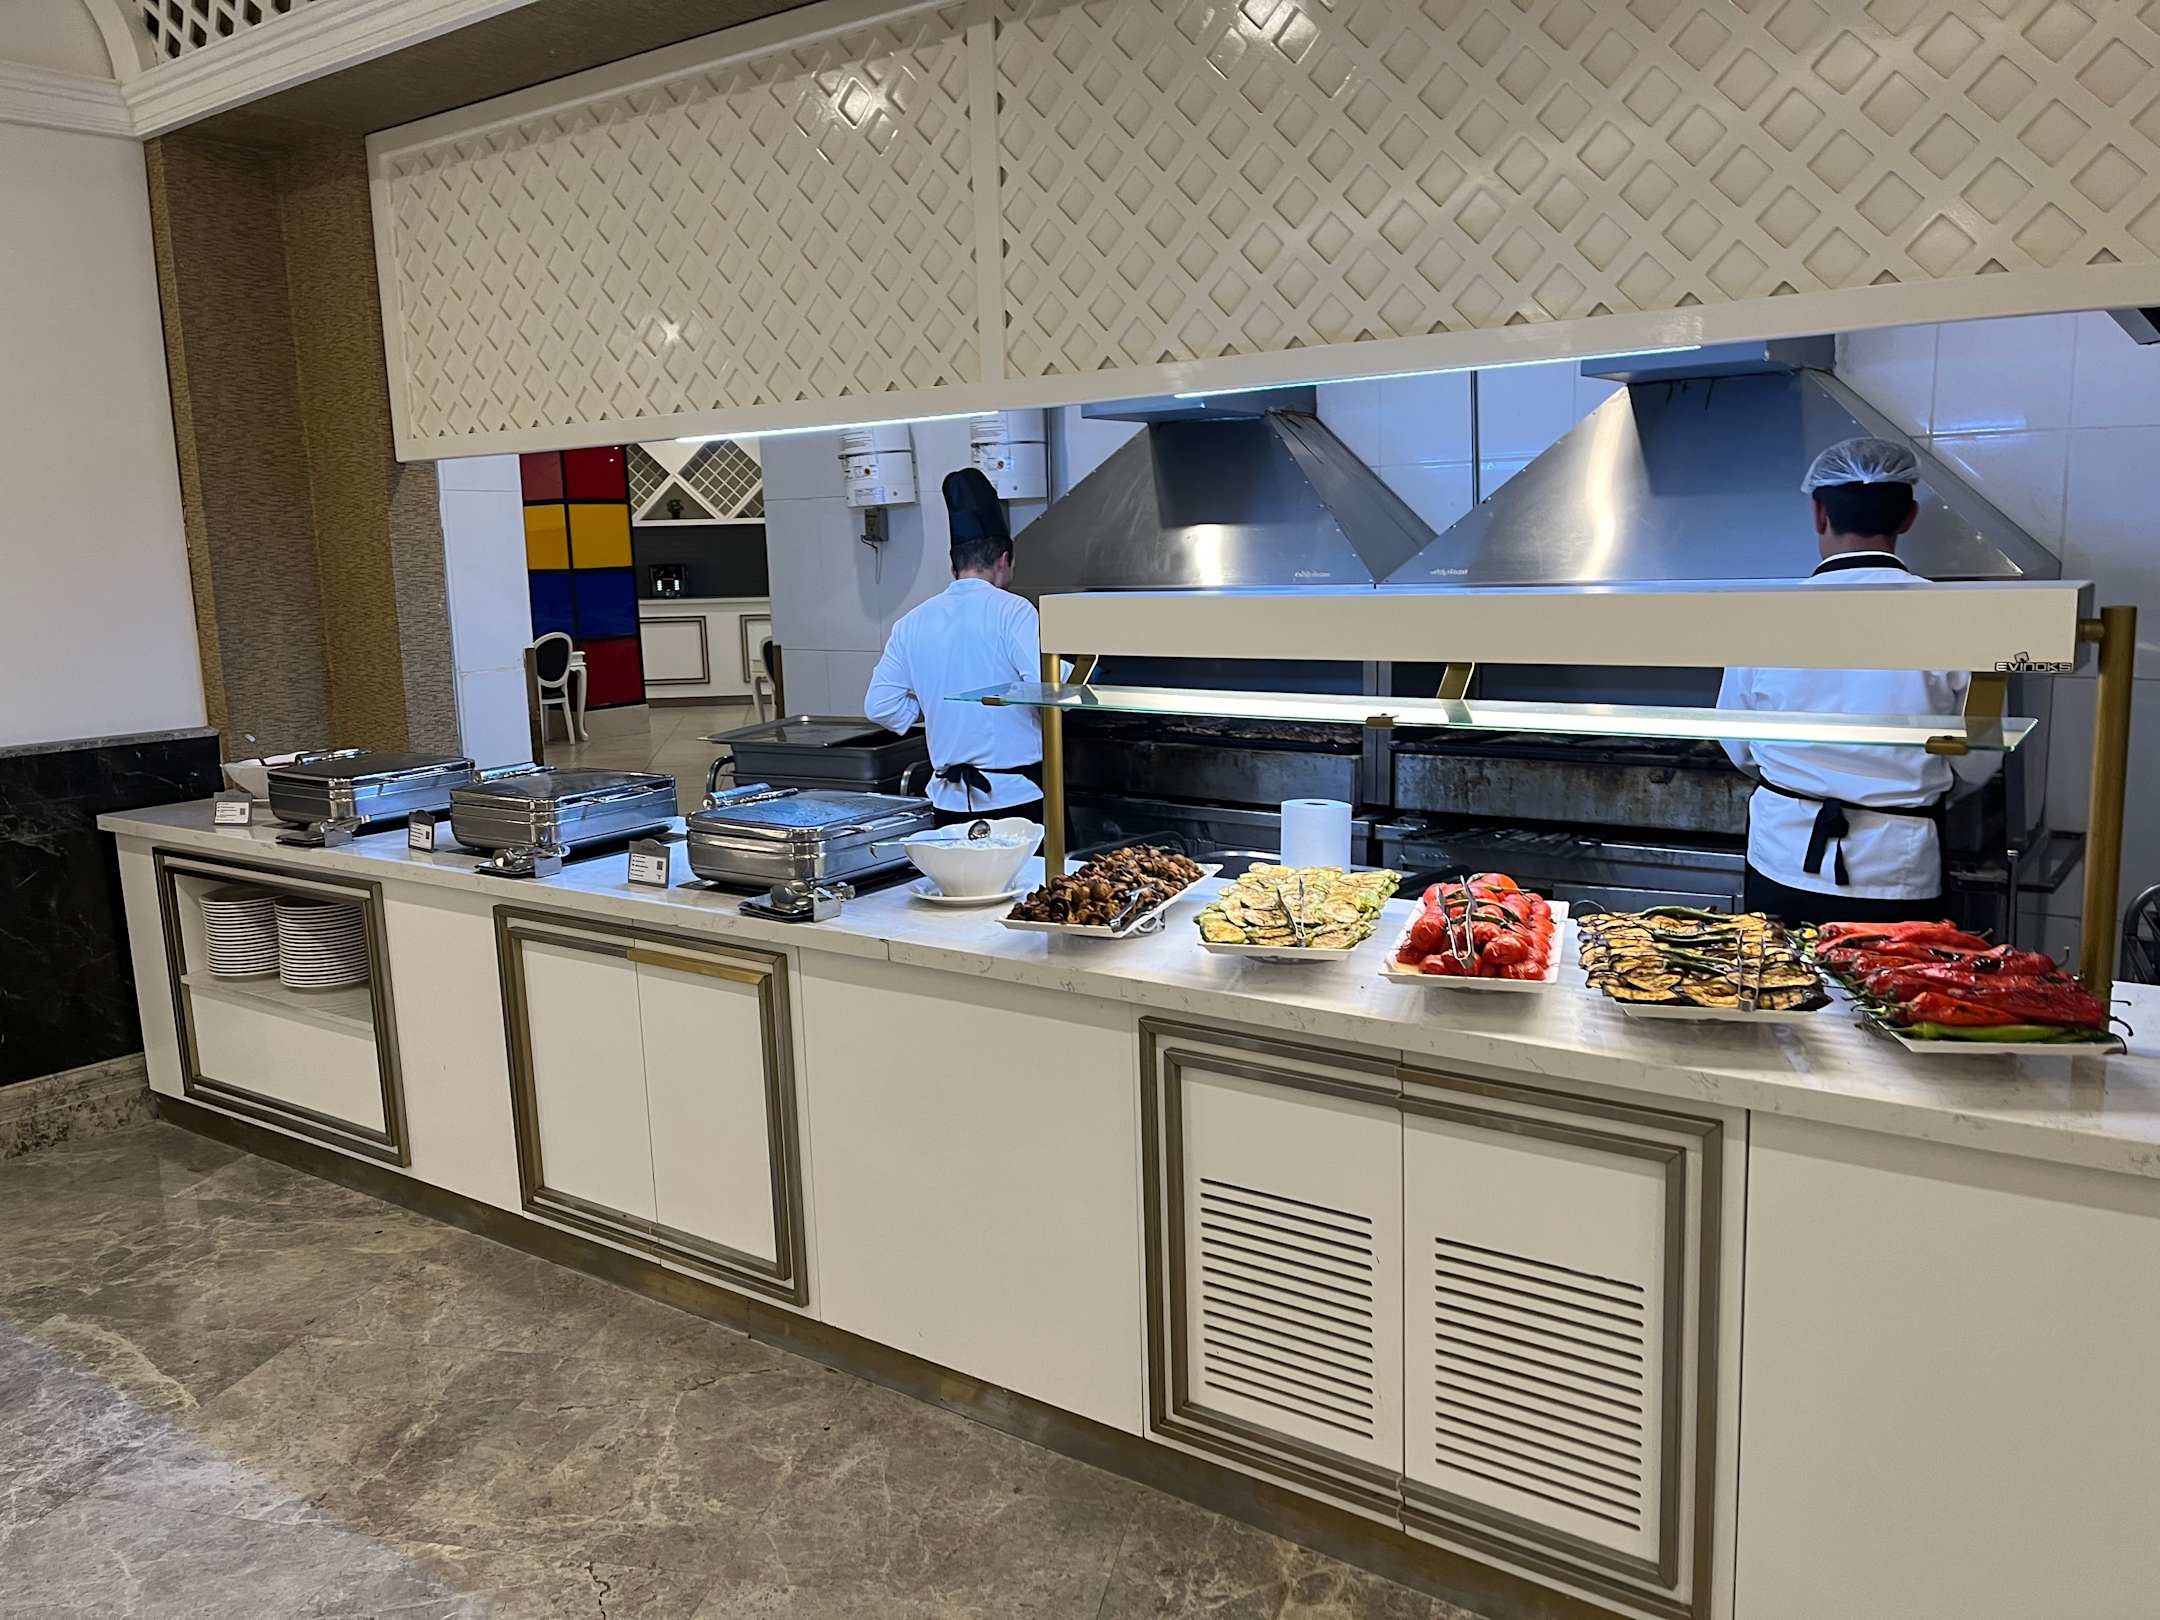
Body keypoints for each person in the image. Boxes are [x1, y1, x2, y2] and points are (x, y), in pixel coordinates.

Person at [1716, 437, 1999, 927]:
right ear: (1908, 517)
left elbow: (1737, 741)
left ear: (1818, 514)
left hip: (1782, 854)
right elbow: (1980, 756)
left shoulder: (1763, 616)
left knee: (1779, 974)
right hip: (1897, 864)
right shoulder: (1965, 619)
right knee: (1891, 979)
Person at [865, 468, 1049, 828]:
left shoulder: (911, 622)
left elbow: (880, 706)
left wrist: (936, 706)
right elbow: (1044, 686)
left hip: (946, 803)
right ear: (1004, 559)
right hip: (1015, 798)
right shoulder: (1014, 610)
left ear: (953, 566)